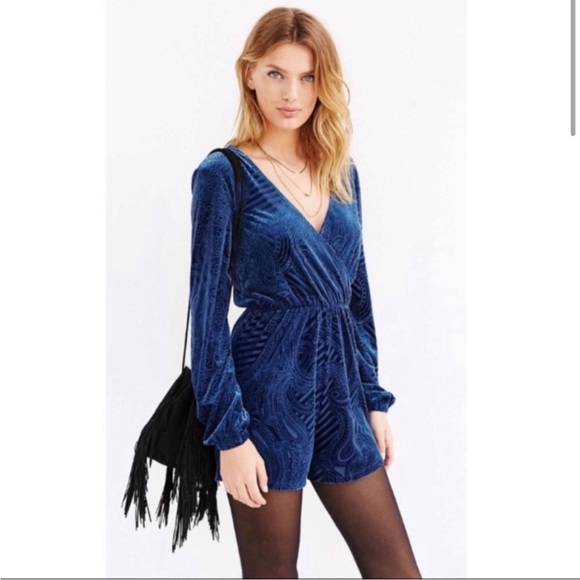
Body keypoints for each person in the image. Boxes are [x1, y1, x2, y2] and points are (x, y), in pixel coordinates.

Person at [189, 7, 422, 579]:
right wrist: (230, 436)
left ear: (324, 83)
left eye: (308, 77)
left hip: (342, 390)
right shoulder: (223, 174)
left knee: (396, 569)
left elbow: (357, 298)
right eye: (276, 74)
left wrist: (373, 399)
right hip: (265, 395)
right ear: (249, 74)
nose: (291, 93)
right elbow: (206, 314)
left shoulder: (342, 171)